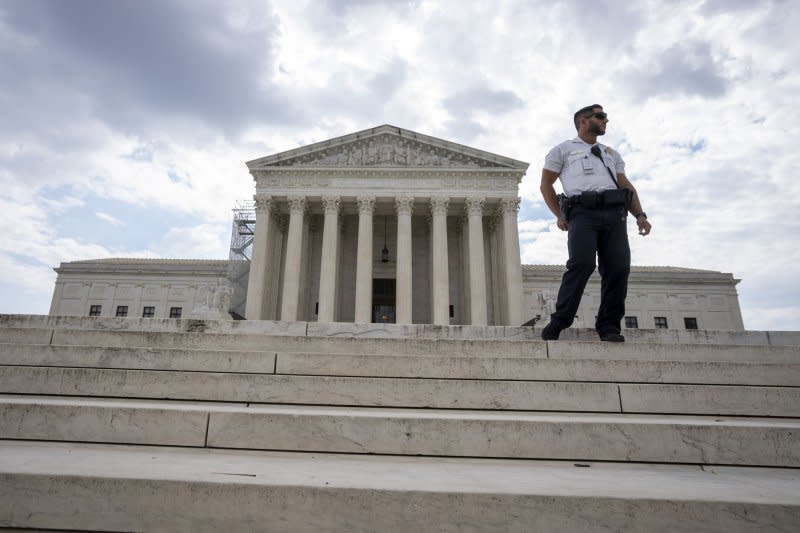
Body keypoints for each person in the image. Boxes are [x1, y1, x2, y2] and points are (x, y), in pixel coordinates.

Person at [539, 104, 651, 342]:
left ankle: (609, 326)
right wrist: (559, 215)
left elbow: (625, 185)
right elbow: (546, 185)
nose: (605, 121)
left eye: (605, 117)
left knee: (618, 268)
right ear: (583, 121)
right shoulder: (562, 150)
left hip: (614, 214)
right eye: (600, 117)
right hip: (582, 212)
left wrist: (640, 215)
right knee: (581, 263)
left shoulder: (611, 153)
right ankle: (559, 321)